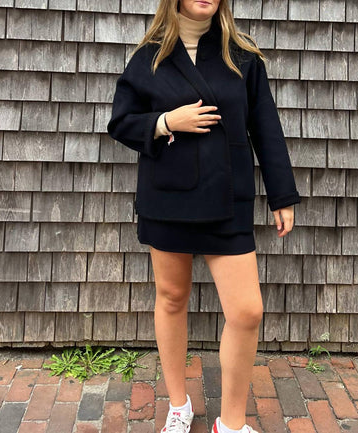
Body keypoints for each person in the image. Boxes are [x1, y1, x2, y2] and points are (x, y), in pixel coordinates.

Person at [107, 1, 301, 432]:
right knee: (172, 298)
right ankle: (179, 405)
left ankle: (230, 424)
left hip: (226, 198)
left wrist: (281, 195)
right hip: (167, 197)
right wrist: (165, 122)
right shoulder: (150, 56)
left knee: (247, 311)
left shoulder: (242, 57)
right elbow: (120, 122)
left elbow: (265, 126)